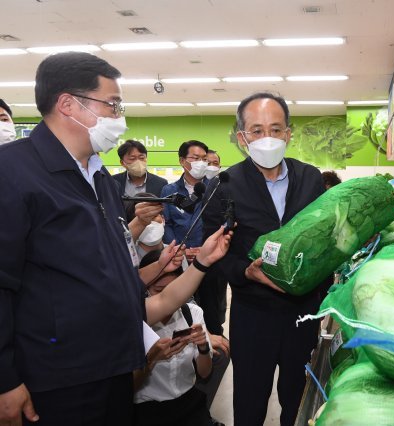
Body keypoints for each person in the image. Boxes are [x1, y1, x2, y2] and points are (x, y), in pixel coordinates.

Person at [0, 51, 232, 426]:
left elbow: (111, 267)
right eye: (112, 104)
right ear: (68, 104)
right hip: (56, 378)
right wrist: (5, 380)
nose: (118, 116)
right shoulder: (13, 173)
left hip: (113, 367)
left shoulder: (99, 179)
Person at [202, 92, 329, 426]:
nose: (267, 138)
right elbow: (214, 252)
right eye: (256, 131)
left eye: (275, 129)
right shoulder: (225, 185)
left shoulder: (310, 178)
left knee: (298, 401)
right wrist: (245, 272)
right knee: (249, 401)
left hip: (302, 314)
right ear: (242, 137)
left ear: (288, 133)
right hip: (252, 315)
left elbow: (326, 241)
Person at [133, 250, 214, 426]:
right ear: (145, 288)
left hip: (189, 403)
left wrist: (203, 348)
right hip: (148, 410)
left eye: (176, 289)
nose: (170, 297)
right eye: (159, 291)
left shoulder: (193, 313)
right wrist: (152, 358)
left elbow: (205, 373)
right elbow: (126, 389)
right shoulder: (135, 322)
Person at [161, 140, 209, 262]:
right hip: (178, 258)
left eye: (204, 159)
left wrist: (204, 249)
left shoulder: (215, 189)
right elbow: (167, 223)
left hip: (209, 257)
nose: (201, 163)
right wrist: (179, 249)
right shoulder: (169, 191)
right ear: (182, 161)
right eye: (196, 158)